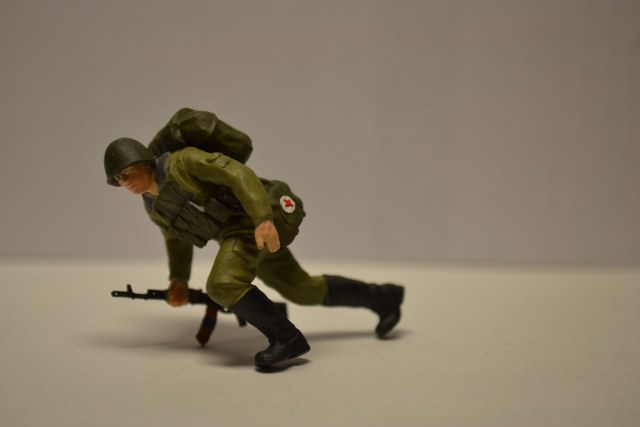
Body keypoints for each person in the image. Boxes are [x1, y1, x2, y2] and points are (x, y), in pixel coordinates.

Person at [103, 110, 404, 369]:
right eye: (118, 179)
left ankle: (287, 339)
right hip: (235, 235)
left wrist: (263, 219)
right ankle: (384, 297)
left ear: (144, 161)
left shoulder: (183, 163)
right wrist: (179, 279)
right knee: (302, 289)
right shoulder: (154, 206)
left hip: (251, 222)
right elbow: (175, 238)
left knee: (223, 284)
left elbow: (238, 174)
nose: (125, 182)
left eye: (127, 173)